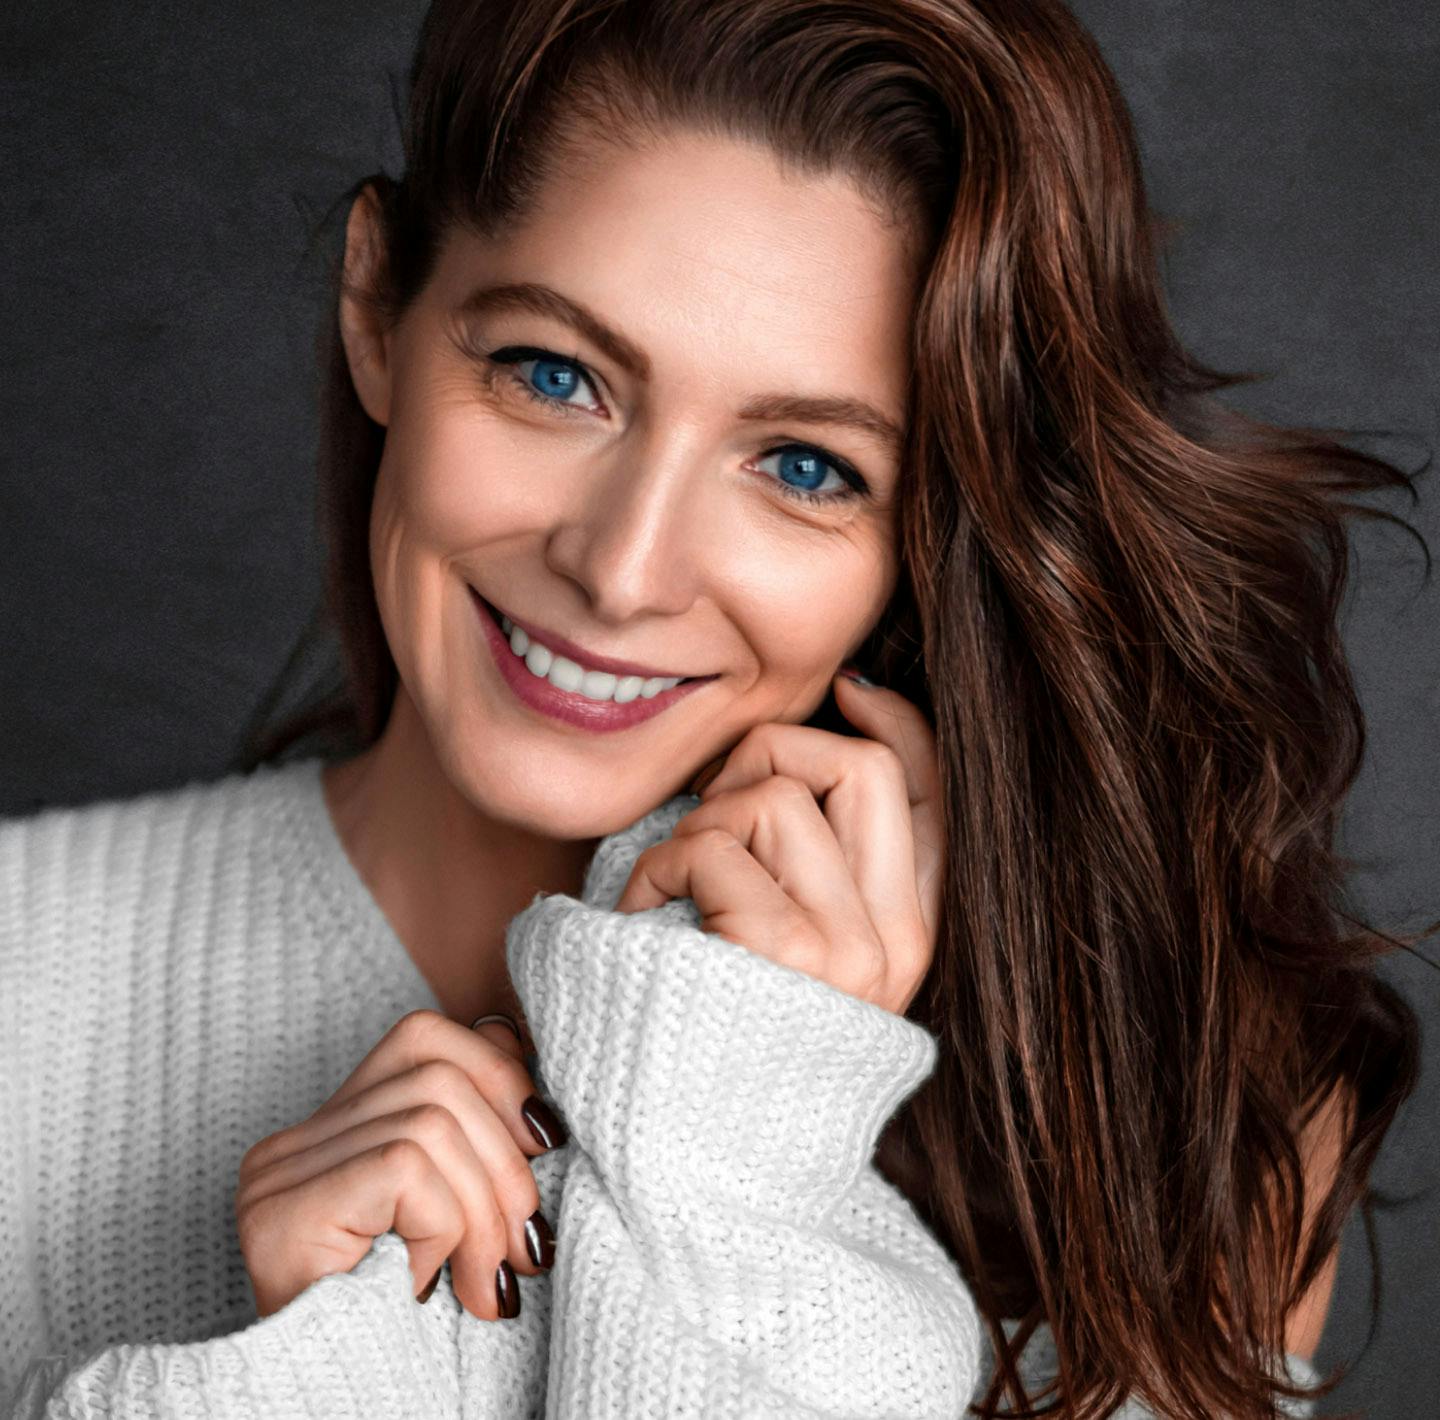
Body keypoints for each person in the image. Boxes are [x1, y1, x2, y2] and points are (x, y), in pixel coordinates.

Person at [1, 0, 1427, 1415]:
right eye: (554, 377)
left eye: (806, 467)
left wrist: (744, 1171)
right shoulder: (26, 983)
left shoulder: (1189, 1131)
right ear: (378, 309)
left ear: (931, 540)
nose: (622, 572)